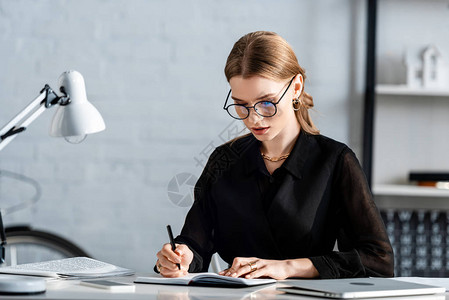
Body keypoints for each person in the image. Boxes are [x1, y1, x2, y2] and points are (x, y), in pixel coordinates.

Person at [156, 31, 394, 280]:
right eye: (241, 105)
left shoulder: (335, 161)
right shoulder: (223, 160)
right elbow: (196, 243)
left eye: (266, 103)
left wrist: (288, 267)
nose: (253, 119)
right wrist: (180, 258)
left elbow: (379, 261)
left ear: (296, 87)